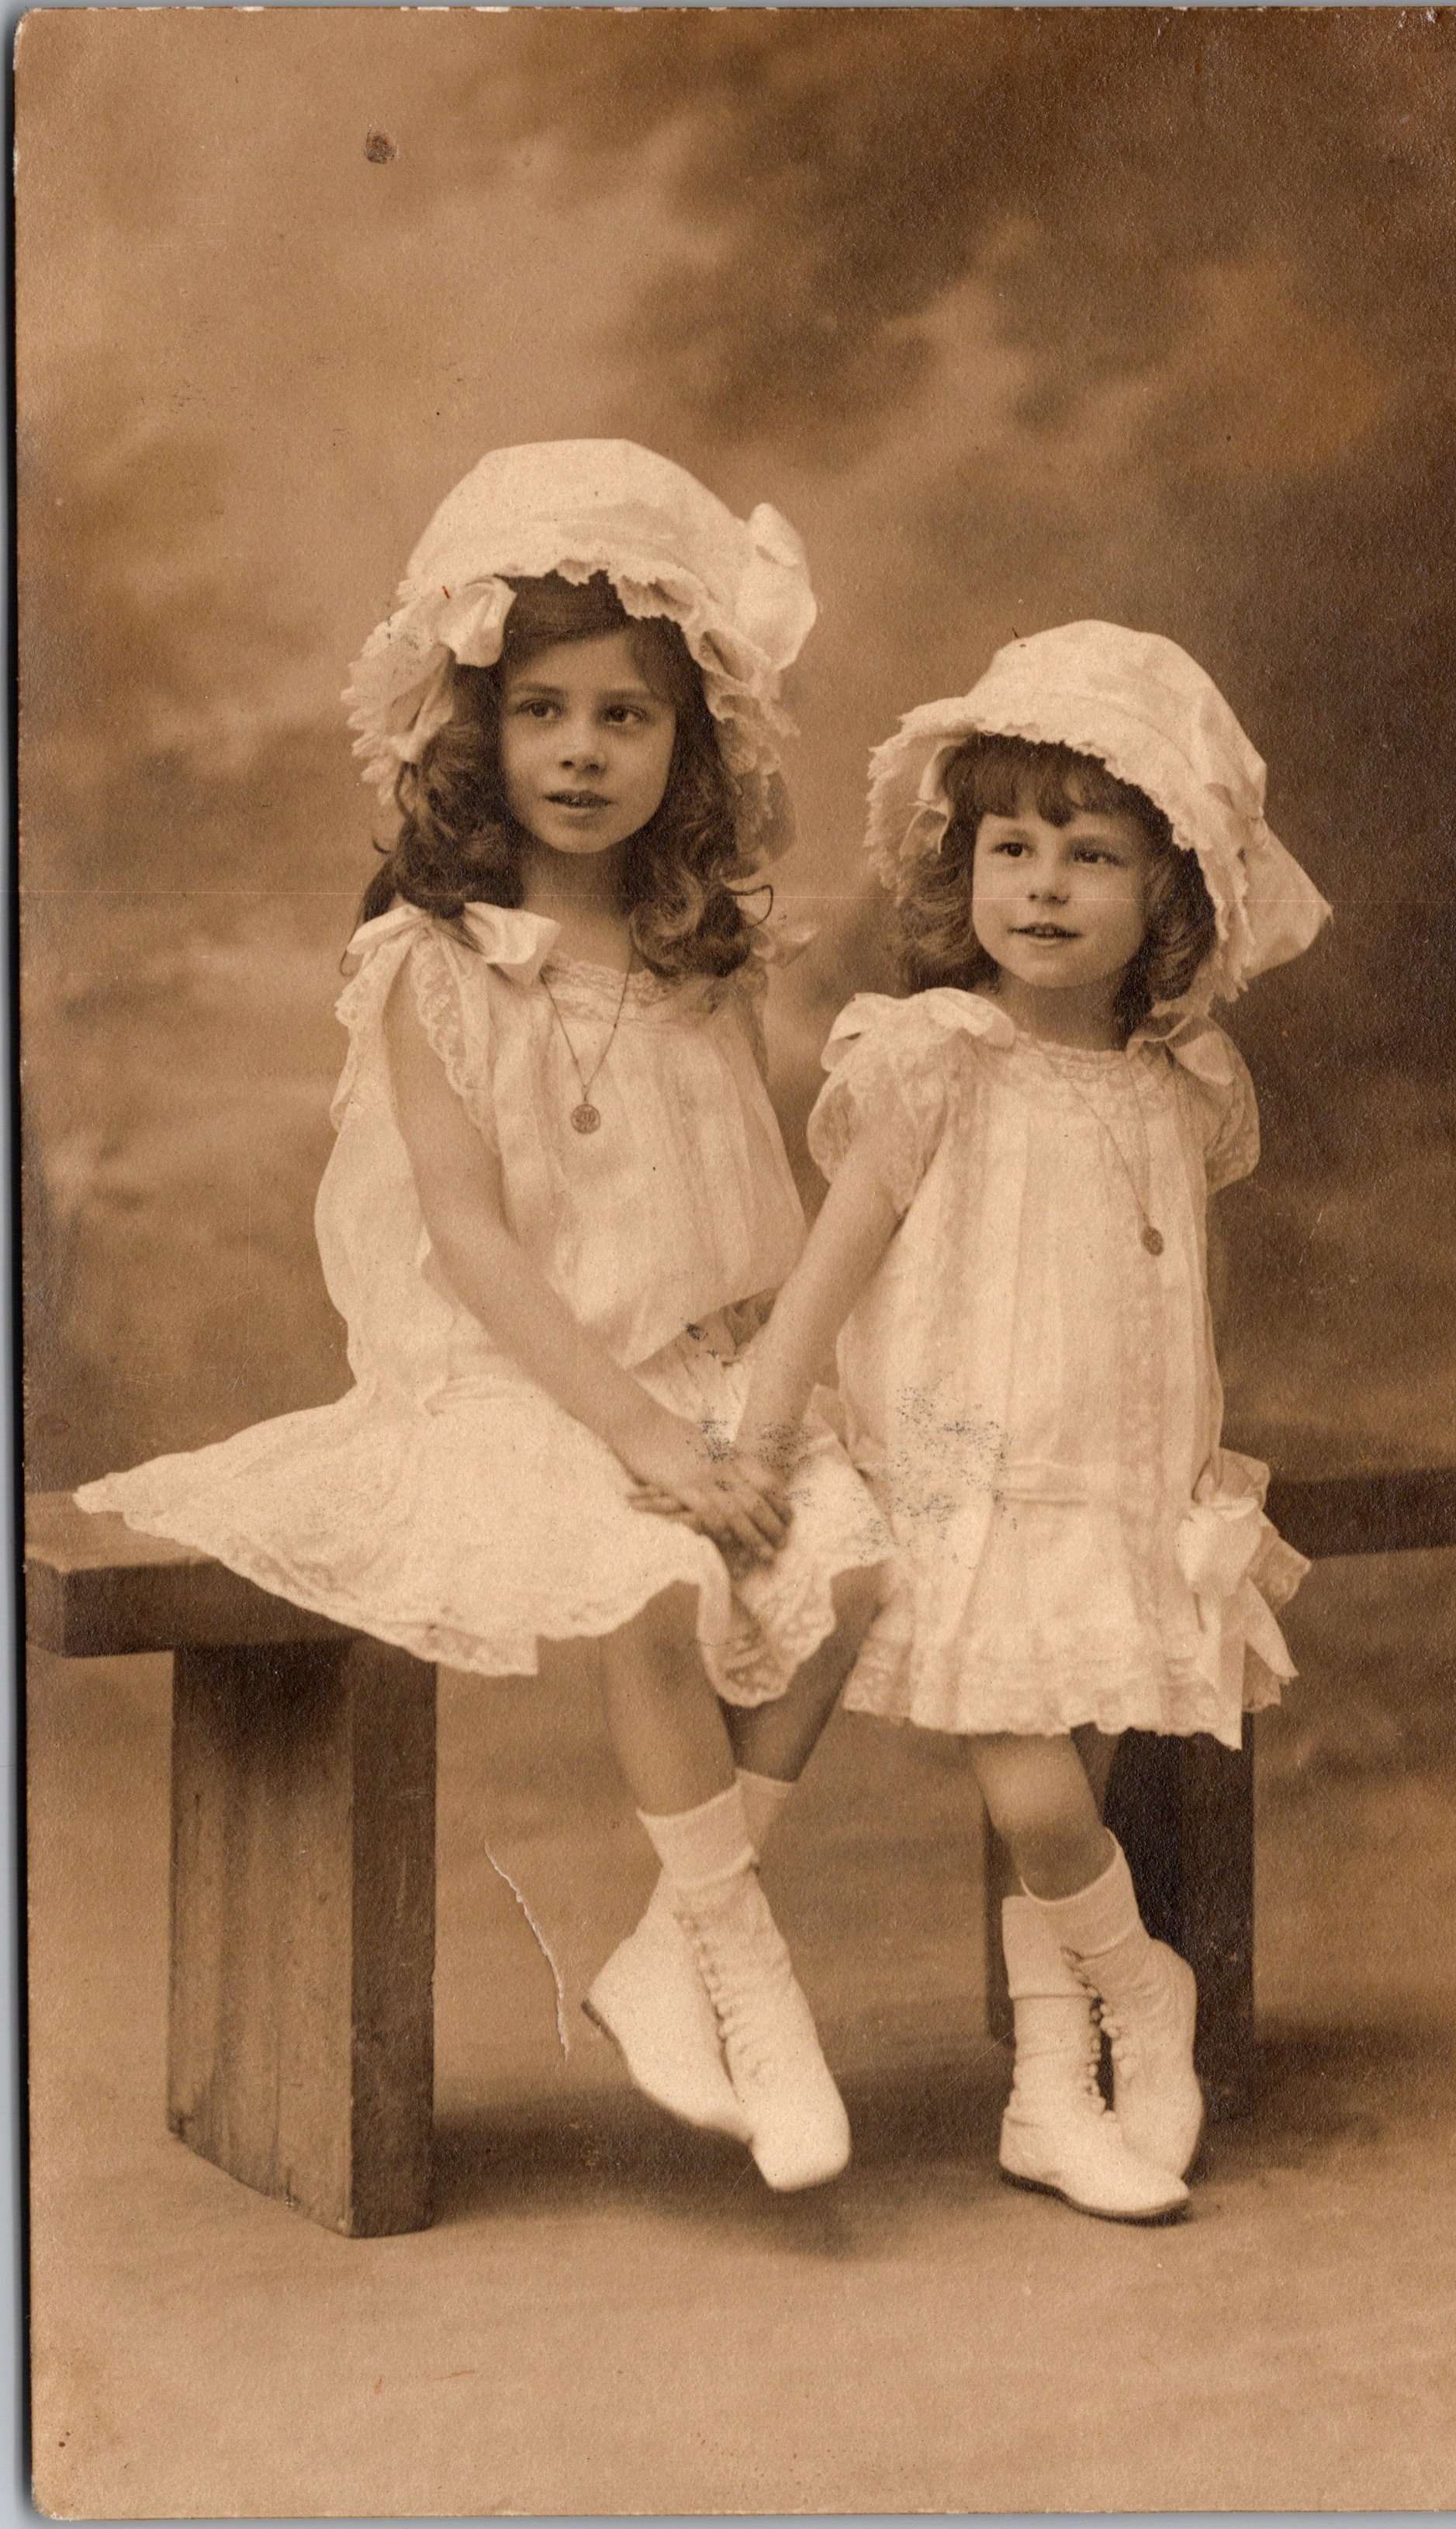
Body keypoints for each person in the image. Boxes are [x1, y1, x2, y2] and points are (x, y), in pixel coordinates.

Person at [78, 441, 890, 2195]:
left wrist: (751, 1420)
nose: (581, 753)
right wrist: (649, 1439)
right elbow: (473, 1239)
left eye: (626, 717)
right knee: (652, 1576)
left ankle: (669, 1954)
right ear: (479, 731)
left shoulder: (702, 964)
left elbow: (740, 1214)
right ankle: (749, 1976)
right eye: (542, 712)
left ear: (689, 748)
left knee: (849, 1568)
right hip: (512, 1375)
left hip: (690, 1366)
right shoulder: (431, 964)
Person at [730, 622, 1331, 2223]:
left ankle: (1048, 2096)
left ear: (1169, 892)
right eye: (1013, 847)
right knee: (1034, 1786)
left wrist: (1186, 1475)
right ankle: (1144, 1988)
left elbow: (1173, 1296)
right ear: (965, 866)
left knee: (1071, 1770)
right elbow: (832, 1264)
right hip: (962, 1481)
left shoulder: (1178, 1084)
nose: (1045, 886)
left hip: (1120, 1482)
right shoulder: (935, 1055)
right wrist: (760, 1432)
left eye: (1092, 855)